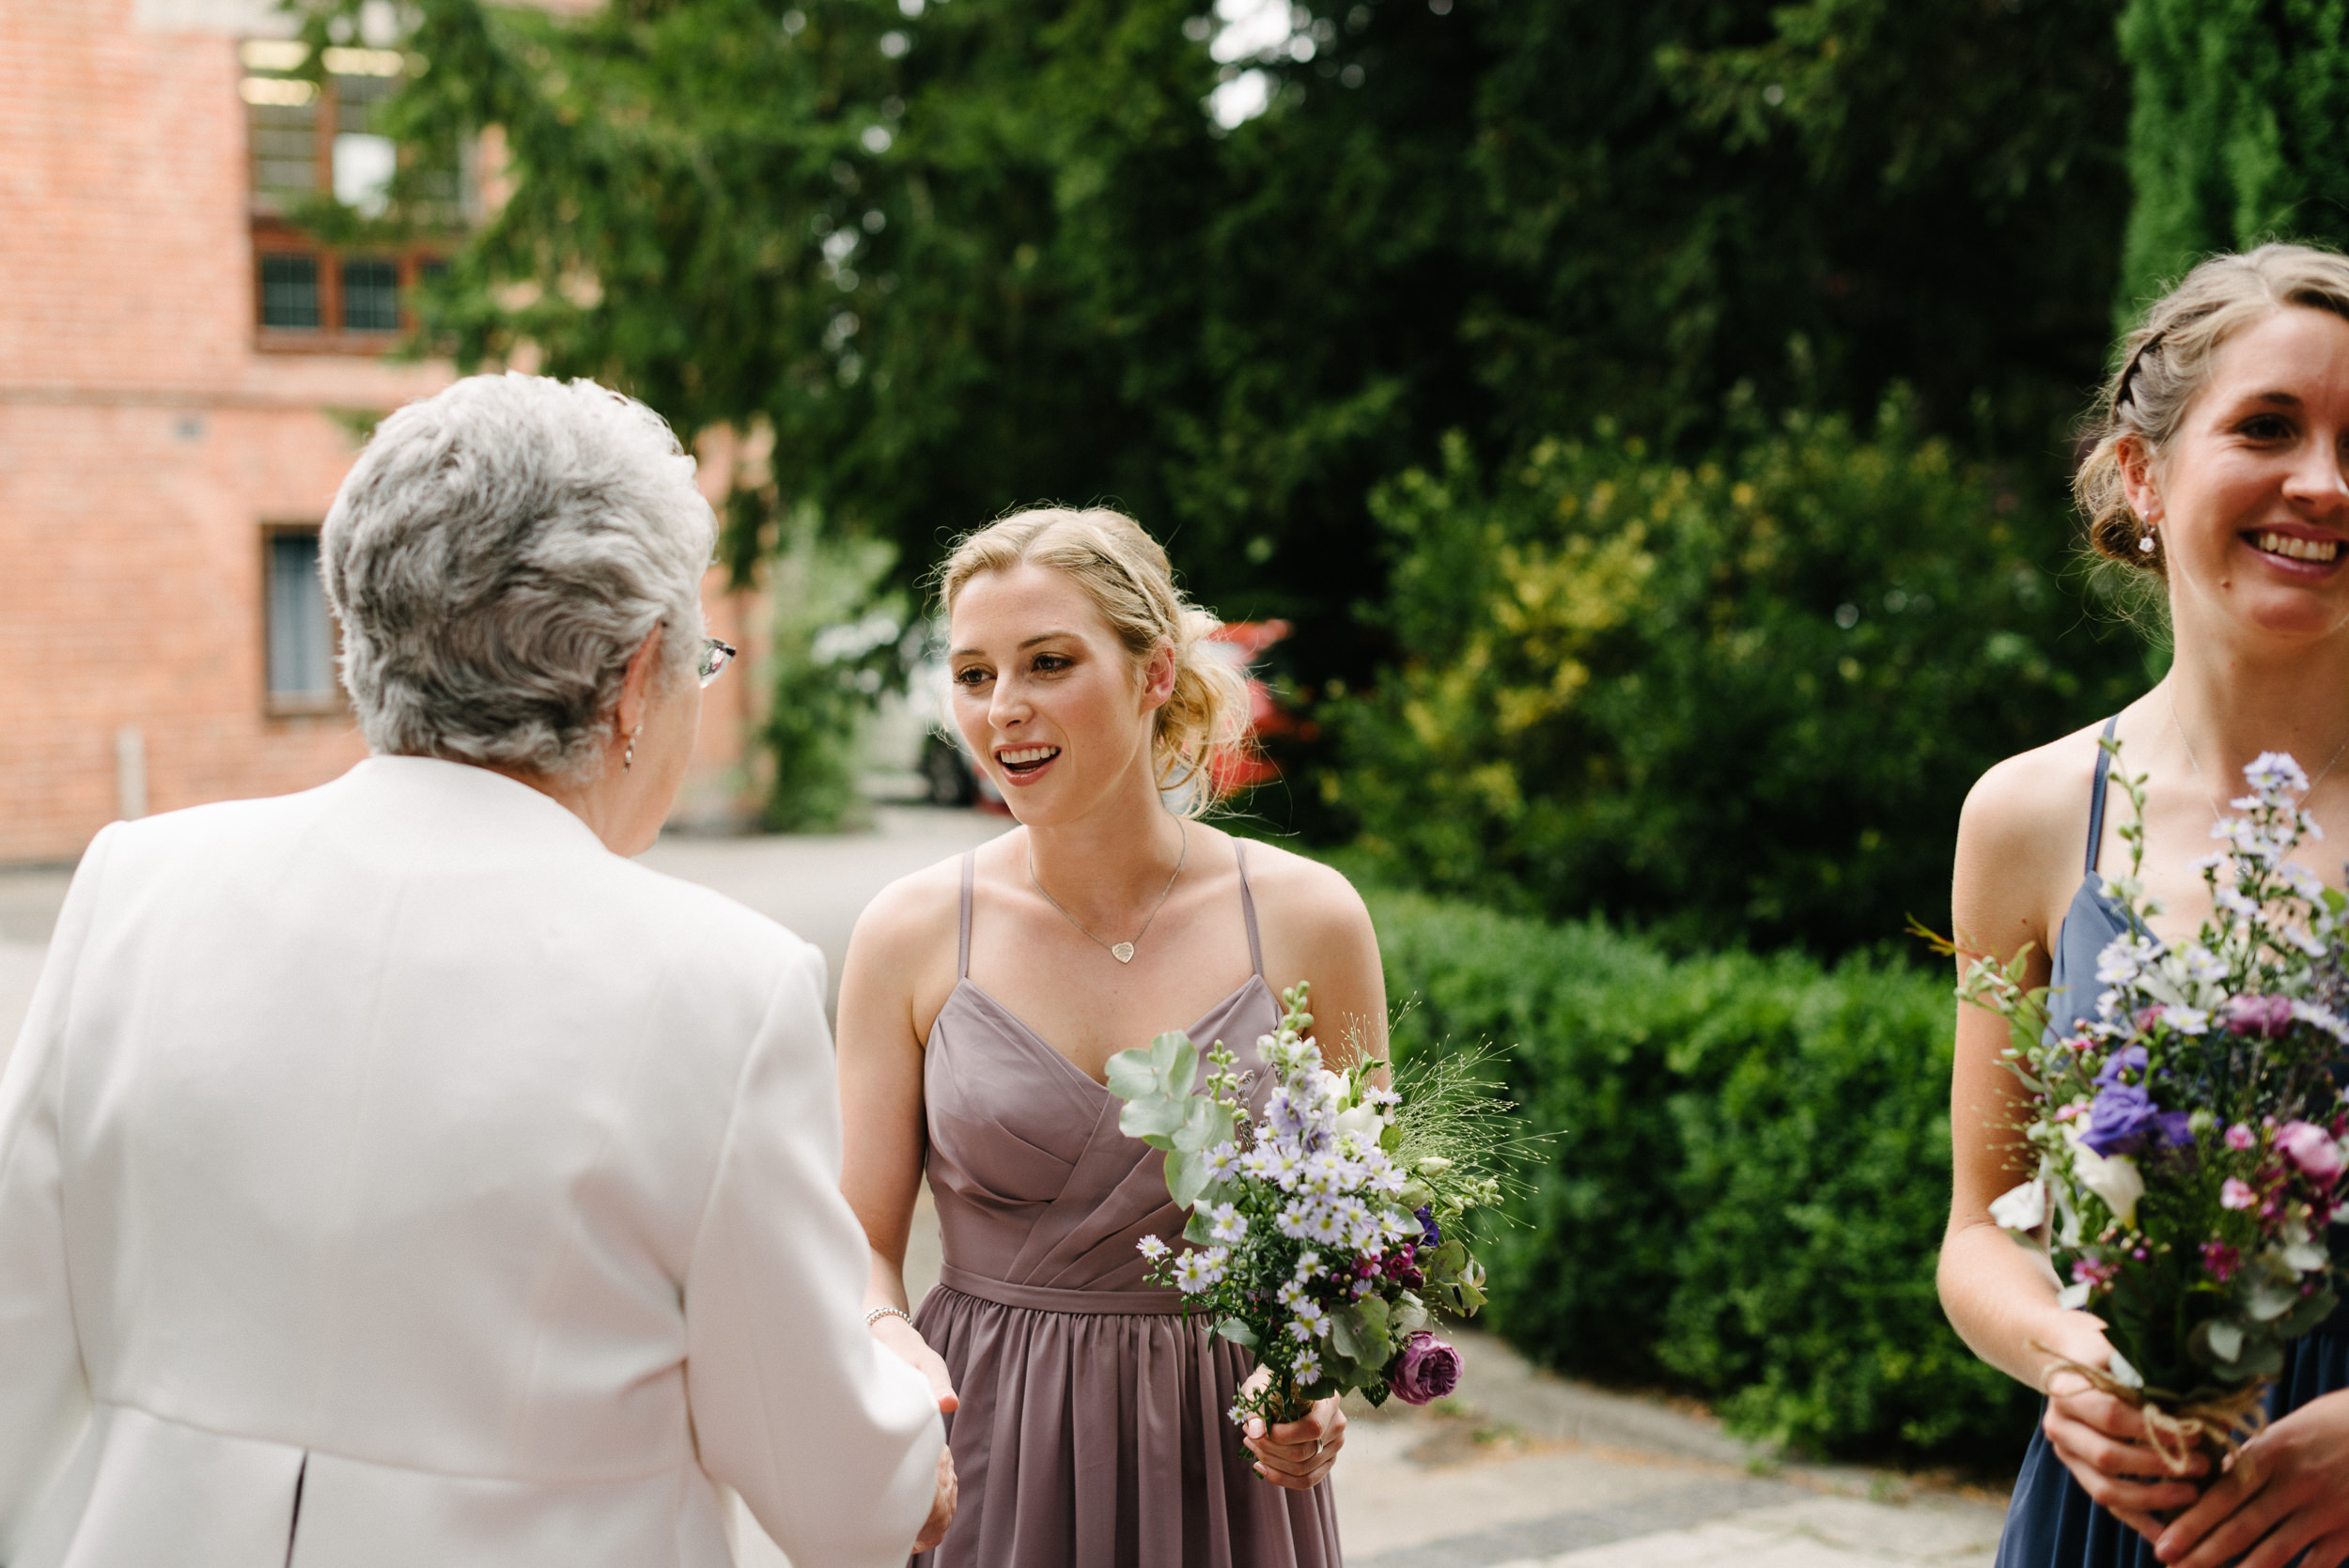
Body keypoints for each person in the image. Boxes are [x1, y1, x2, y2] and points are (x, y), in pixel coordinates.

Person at [0, 373, 953, 1568]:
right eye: (697, 660)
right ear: (630, 680)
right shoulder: (722, 984)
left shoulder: (135, 884)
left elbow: (17, 1339)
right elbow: (838, 1494)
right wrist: (908, 1421)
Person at [837, 507, 1385, 1567]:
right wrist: (883, 1337)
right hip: (990, 1445)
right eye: (973, 673)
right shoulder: (906, 934)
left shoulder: (1310, 918)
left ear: (1152, 673)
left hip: (1228, 1465)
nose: (1005, 709)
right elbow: (857, 1239)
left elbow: (1361, 1225)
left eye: (1048, 662)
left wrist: (1314, 1376)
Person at [1946, 244, 2349, 1568]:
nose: (2326, 484)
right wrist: (2072, 1357)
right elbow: (1980, 1233)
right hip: (2119, 1520)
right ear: (2143, 471)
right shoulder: (2031, 814)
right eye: (2269, 426)